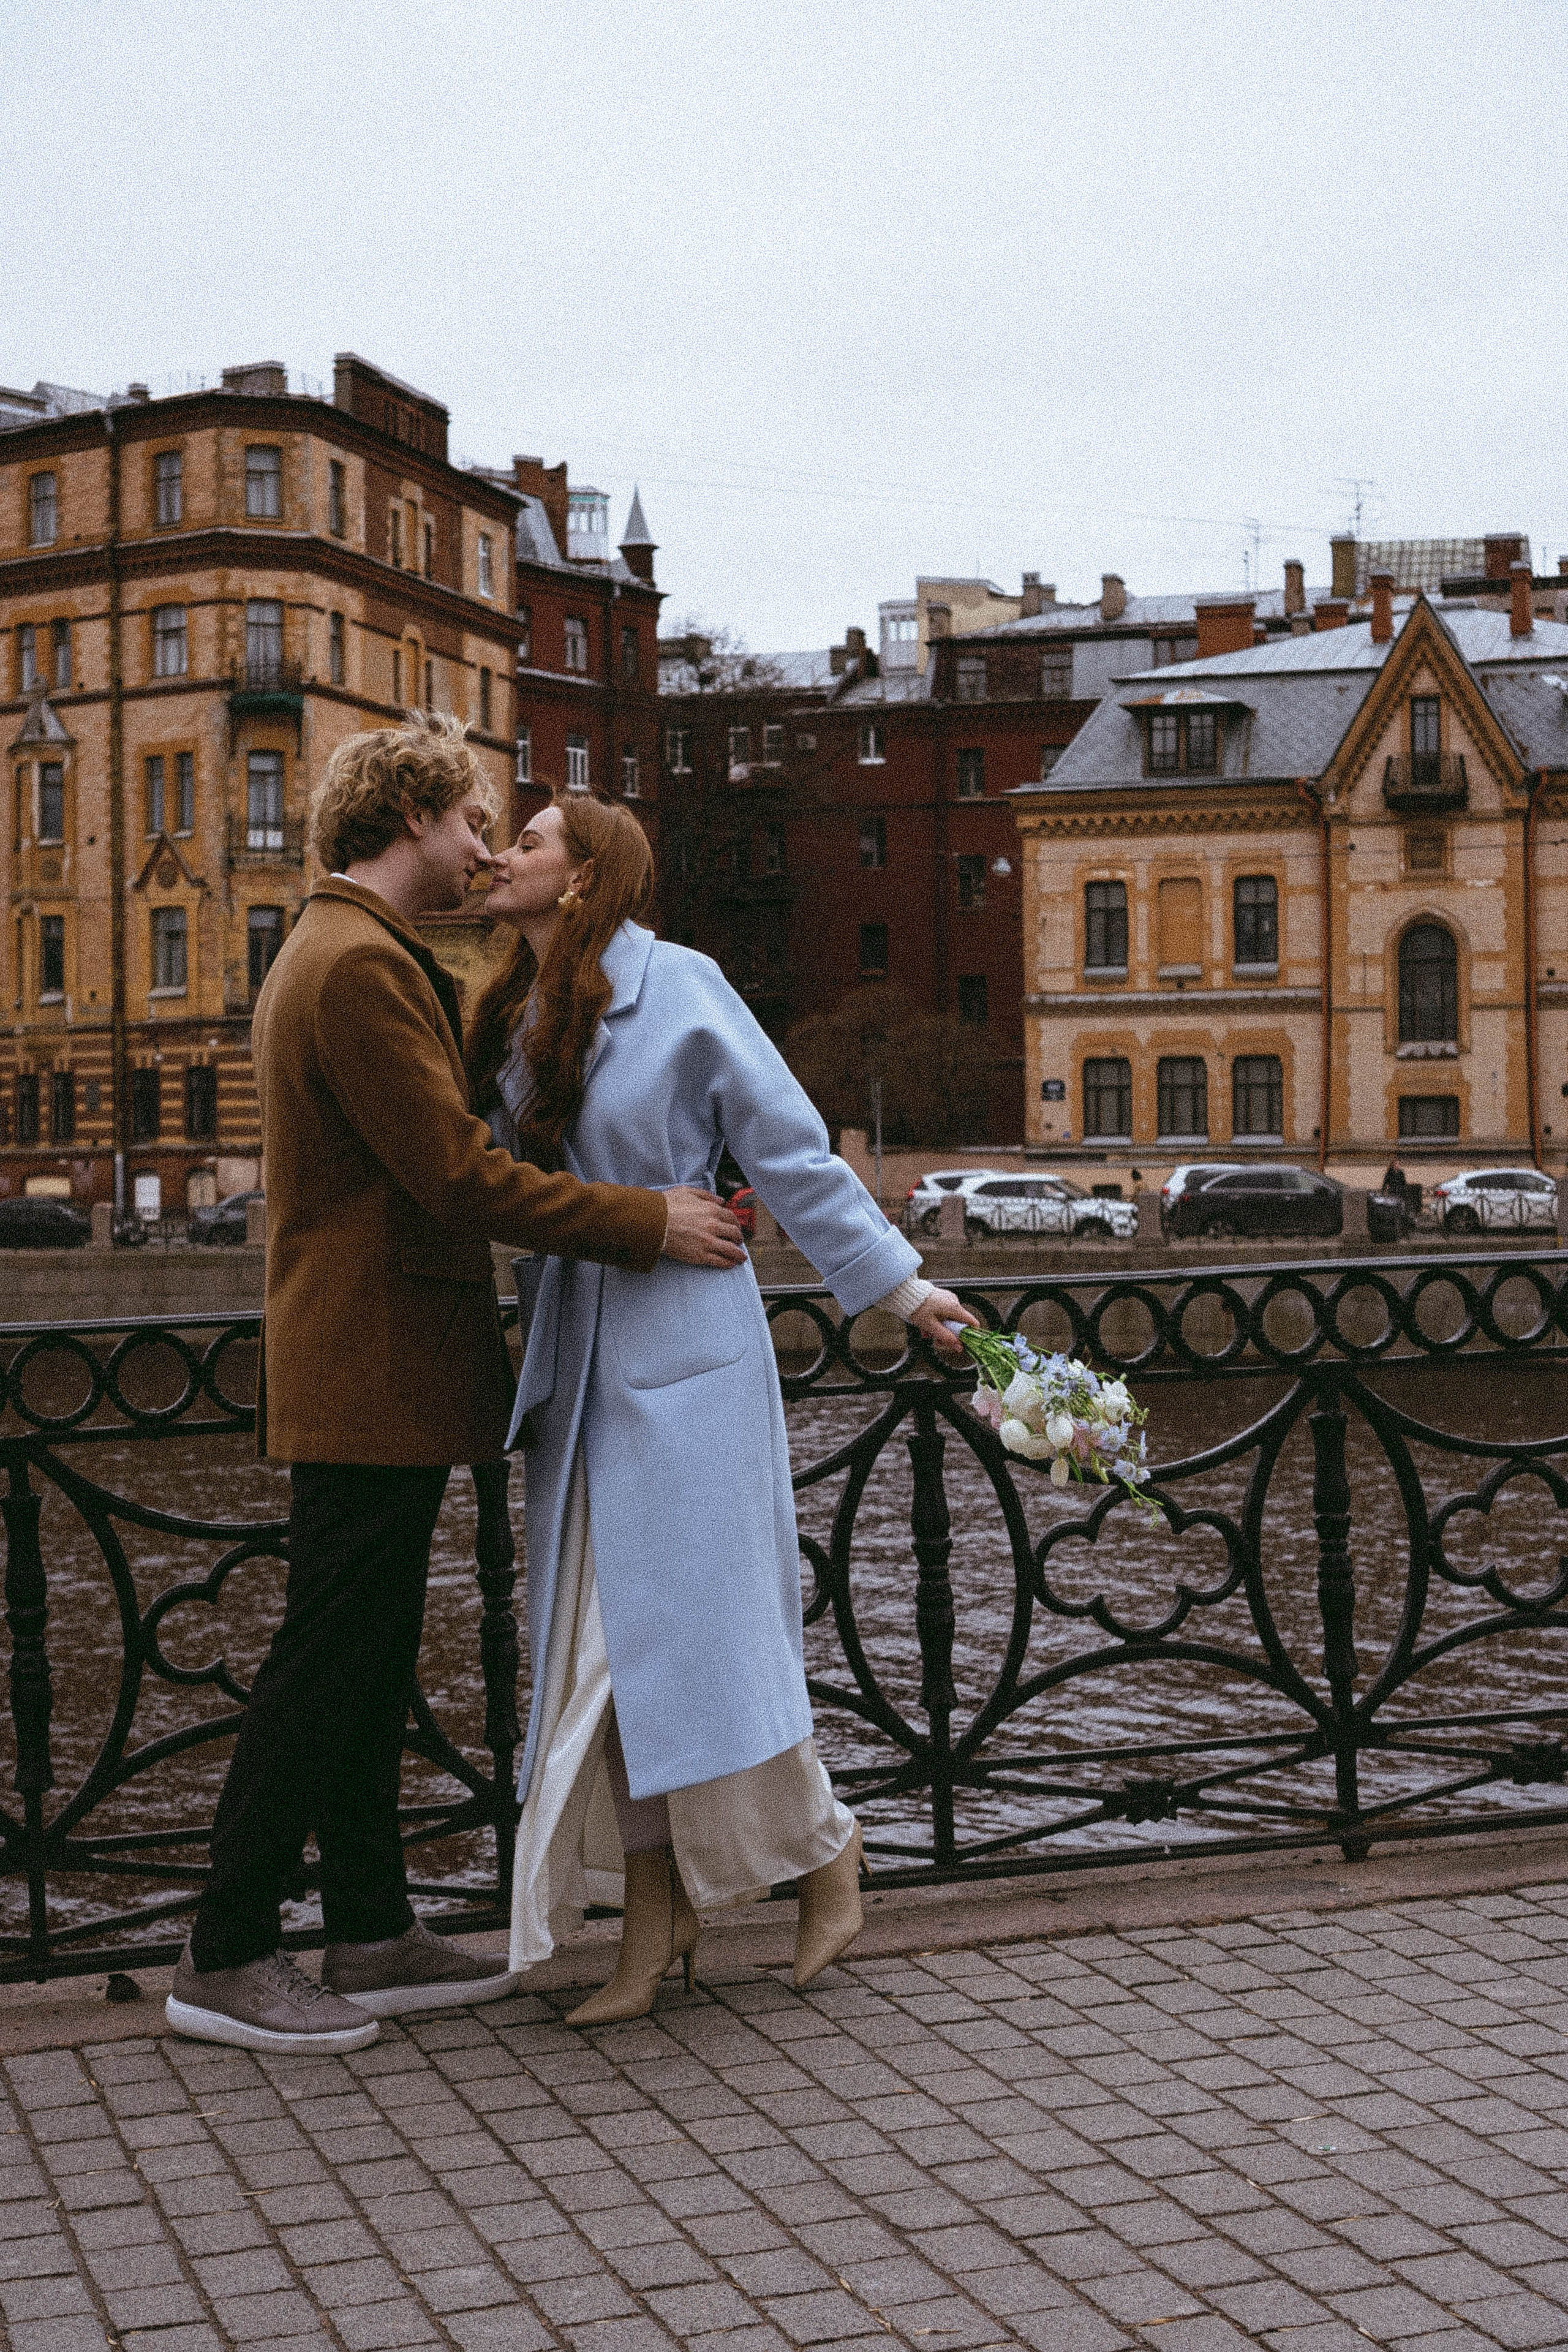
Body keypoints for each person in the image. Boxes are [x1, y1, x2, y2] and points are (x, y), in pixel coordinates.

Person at [166, 718, 744, 2057]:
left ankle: (367, 1925)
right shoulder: (359, 964)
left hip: (377, 1358)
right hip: (370, 1355)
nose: (484, 850)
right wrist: (645, 1220)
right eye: (472, 824)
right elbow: (456, 1178)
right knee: (326, 1654)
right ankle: (227, 1946)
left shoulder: (348, 950)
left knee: (363, 1655)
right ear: (412, 815)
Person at [471, 790, 976, 2024]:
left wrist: (900, 1287)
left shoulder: (682, 985)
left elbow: (788, 1151)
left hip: (687, 1352)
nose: (501, 853)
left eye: (529, 841)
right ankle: (667, 1906)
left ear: (588, 878)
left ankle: (810, 1854)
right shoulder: (507, 1014)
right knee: (606, 1666)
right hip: (577, 1364)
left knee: (689, 1642)